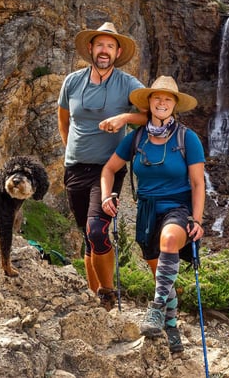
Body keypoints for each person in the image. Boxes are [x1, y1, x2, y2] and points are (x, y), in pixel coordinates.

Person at [100, 76, 205, 353]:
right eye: (157, 97)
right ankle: (171, 328)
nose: (162, 102)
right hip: (146, 211)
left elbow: (197, 183)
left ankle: (156, 308)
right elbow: (109, 169)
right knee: (162, 277)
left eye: (167, 98)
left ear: (174, 105)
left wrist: (198, 219)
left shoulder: (187, 138)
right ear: (149, 103)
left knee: (169, 241)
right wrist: (105, 195)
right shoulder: (136, 138)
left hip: (178, 209)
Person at [57, 22, 147, 310]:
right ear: (91, 49)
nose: (104, 50)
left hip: (107, 171)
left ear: (118, 51)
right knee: (87, 233)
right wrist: (71, 149)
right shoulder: (72, 81)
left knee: (97, 230)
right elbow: (64, 120)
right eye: (100, 45)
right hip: (75, 168)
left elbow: (153, 114)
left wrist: (124, 119)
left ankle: (107, 294)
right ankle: (92, 295)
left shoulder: (128, 84)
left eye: (110, 46)